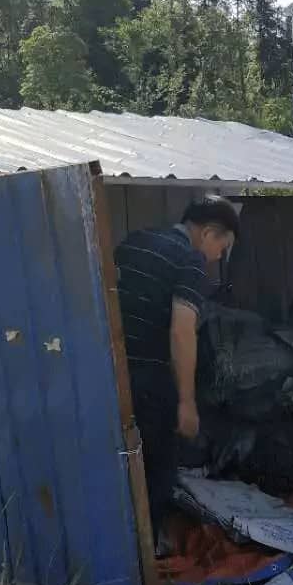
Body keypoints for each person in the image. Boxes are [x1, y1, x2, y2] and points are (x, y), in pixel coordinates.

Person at [115, 197, 239, 540]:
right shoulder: (190, 259)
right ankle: (147, 551)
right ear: (208, 233)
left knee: (120, 465)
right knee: (158, 469)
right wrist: (186, 402)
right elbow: (182, 330)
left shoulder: (134, 241)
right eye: (221, 248)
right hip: (148, 378)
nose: (217, 258)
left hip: (109, 371)